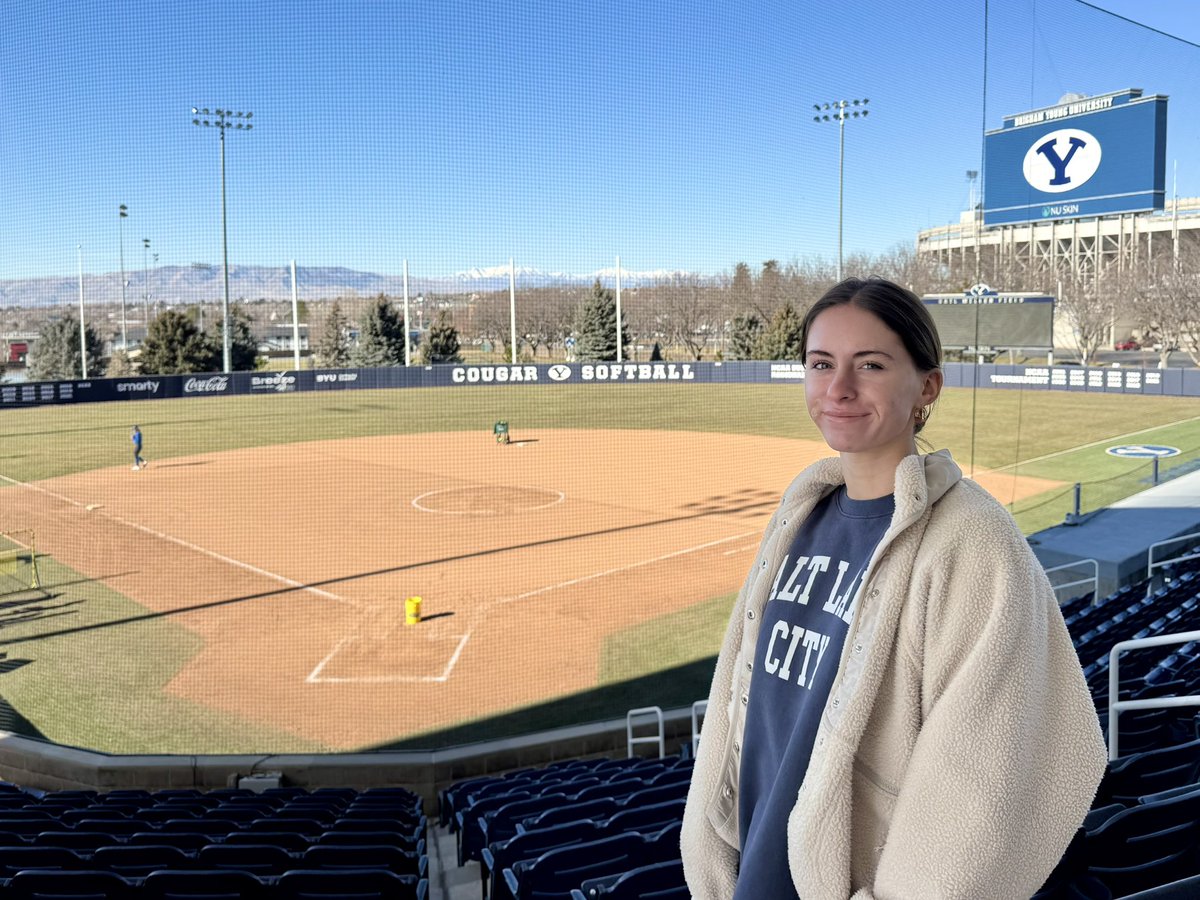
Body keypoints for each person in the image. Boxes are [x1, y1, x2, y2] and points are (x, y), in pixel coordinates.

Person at [681, 278, 1105, 900]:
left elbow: (982, 783)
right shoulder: (801, 516)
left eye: (870, 365)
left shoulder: (974, 541)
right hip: (759, 869)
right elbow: (743, 705)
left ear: (927, 387)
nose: (839, 388)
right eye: (821, 364)